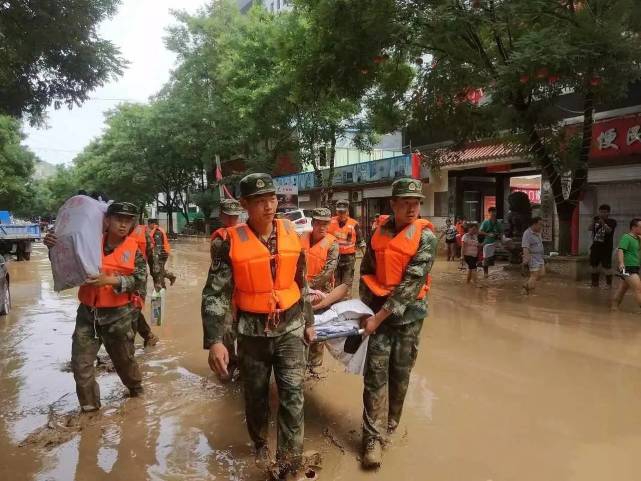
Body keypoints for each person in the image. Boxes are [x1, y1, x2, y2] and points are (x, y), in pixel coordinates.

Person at [202, 173, 316, 478]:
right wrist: (215, 340)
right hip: (252, 334)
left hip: (291, 327)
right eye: (259, 201)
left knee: (293, 394)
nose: (269, 206)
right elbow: (216, 293)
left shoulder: (292, 232)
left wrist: (309, 322)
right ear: (244, 205)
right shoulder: (227, 243)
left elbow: (302, 282)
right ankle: (260, 444)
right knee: (255, 396)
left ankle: (289, 464)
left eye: (273, 199)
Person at [359, 178, 437, 469]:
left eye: (416, 202)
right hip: (378, 318)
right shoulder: (378, 231)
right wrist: (364, 311)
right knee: (374, 377)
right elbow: (366, 271)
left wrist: (378, 317)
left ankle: (391, 424)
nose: (412, 208)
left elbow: (409, 285)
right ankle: (372, 438)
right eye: (405, 202)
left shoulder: (426, 238)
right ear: (392, 203)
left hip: (408, 320)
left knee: (400, 376)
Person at [44, 202, 146, 411]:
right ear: (107, 221)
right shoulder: (87, 242)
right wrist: (54, 245)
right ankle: (90, 409)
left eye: (128, 221)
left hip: (119, 316)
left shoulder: (134, 250)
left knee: (125, 364)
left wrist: (110, 281)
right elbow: (66, 261)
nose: (123, 225)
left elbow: (140, 280)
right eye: (119, 219)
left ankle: (136, 391)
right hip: (87, 314)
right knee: (80, 365)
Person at [208, 198, 245, 379]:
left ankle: (243, 365)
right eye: (228, 217)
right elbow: (219, 280)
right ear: (222, 216)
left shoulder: (247, 234)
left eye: (235, 217)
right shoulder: (219, 242)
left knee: (246, 333)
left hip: (246, 293)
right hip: (228, 294)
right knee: (228, 332)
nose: (232, 221)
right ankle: (229, 366)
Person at [300, 207, 339, 370]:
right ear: (313, 223)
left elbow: (328, 270)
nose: (322, 227)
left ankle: (314, 365)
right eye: (319, 223)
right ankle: (301, 361)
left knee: (318, 327)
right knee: (301, 325)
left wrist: (309, 286)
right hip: (301, 291)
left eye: (326, 224)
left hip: (321, 293)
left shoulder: (332, 243)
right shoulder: (301, 238)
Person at [129, 222, 162, 347]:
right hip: (114, 280)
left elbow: (153, 259)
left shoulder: (144, 234)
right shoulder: (106, 232)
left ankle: (127, 354)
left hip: (138, 279)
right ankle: (149, 336)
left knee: (133, 311)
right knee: (129, 312)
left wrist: (157, 281)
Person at [328, 199, 365, 293]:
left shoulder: (354, 224)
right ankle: (335, 303)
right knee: (334, 282)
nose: (341, 214)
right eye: (339, 211)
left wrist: (365, 259)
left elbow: (361, 242)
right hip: (333, 257)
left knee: (346, 283)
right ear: (336, 211)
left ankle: (346, 302)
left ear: (347, 211)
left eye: (344, 212)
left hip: (349, 258)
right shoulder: (330, 222)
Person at [611, 218, 641, 311]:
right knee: (638, 289)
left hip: (634, 267)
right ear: (633, 227)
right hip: (627, 267)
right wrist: (621, 263)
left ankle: (614, 307)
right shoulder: (626, 237)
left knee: (622, 289)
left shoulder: (638, 238)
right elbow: (621, 250)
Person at [589, 204, 617, 288]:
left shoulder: (612, 221)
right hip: (595, 246)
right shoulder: (596, 221)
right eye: (601, 212)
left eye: (604, 212)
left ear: (608, 213)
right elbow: (589, 228)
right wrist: (594, 222)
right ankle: (594, 283)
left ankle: (608, 284)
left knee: (607, 266)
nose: (602, 214)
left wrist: (603, 223)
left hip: (606, 248)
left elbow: (609, 231)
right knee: (594, 265)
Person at [148, 218, 176, 288]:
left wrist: (156, 261)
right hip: (162, 254)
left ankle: (161, 288)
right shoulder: (157, 230)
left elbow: (158, 247)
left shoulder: (157, 232)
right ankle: (171, 276)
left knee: (157, 272)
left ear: (153, 224)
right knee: (158, 271)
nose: (148, 226)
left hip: (161, 255)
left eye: (149, 224)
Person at [521, 217, 545, 294]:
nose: (541, 226)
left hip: (540, 257)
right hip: (532, 257)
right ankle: (526, 290)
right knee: (534, 275)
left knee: (542, 274)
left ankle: (527, 285)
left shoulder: (539, 232)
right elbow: (525, 247)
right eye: (540, 224)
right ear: (534, 224)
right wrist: (526, 258)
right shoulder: (527, 233)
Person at [479, 207, 503, 278]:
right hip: (488, 242)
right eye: (492, 212)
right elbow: (480, 231)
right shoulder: (486, 222)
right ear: (489, 213)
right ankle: (485, 273)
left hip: (496, 242)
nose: (494, 214)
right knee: (486, 258)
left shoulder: (498, 223)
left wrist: (499, 237)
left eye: (495, 212)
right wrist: (488, 234)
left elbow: (501, 232)